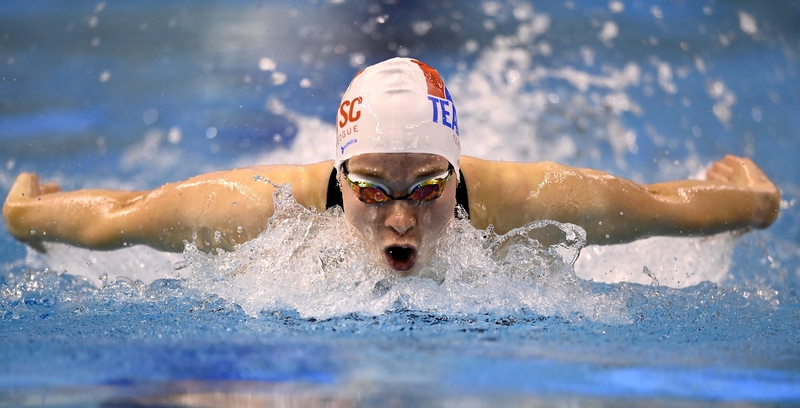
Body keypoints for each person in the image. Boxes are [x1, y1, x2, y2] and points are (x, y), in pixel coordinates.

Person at [2, 58, 781, 275]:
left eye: (428, 188)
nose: (401, 216)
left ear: (457, 172)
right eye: (372, 189)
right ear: (339, 178)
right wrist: (26, 211)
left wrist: (753, 198)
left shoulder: (531, 200)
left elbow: (666, 206)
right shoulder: (261, 208)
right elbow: (124, 214)